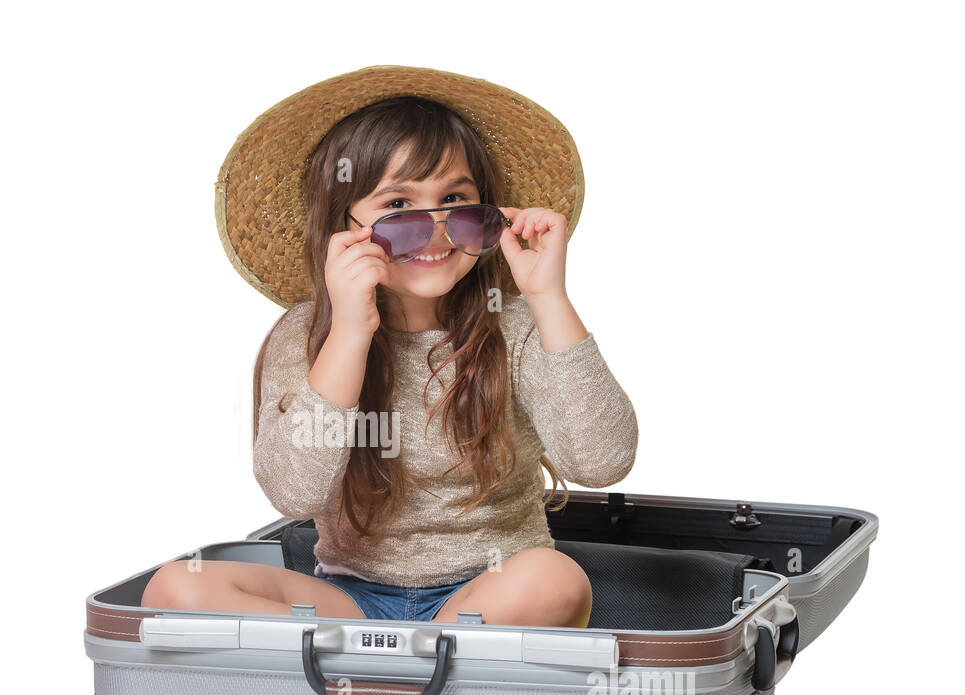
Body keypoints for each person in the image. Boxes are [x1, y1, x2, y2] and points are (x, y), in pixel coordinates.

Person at [144, 68, 638, 627]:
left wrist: (549, 298)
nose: (434, 231)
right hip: (347, 604)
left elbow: (602, 463)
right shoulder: (304, 333)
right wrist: (350, 336)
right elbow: (292, 495)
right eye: (399, 208)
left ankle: (387, 681)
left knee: (554, 580)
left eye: (455, 199)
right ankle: (415, 676)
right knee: (174, 588)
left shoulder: (516, 326)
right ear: (343, 226)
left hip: (489, 599)